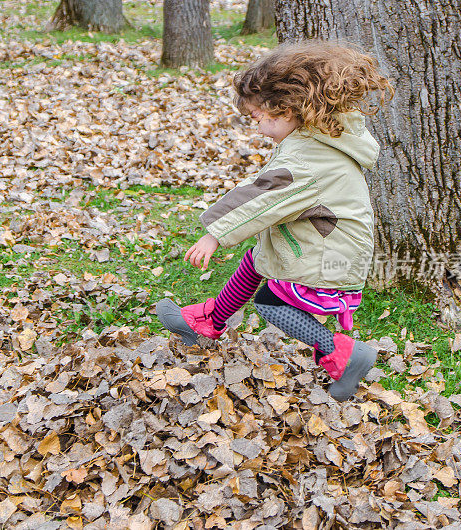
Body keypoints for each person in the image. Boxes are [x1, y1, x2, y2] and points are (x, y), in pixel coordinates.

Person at [156, 40, 394, 402]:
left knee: (271, 302)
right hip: (330, 244)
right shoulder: (321, 137)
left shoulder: (304, 159)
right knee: (257, 259)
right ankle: (206, 323)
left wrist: (216, 233)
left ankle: (345, 355)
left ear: (284, 109)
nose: (257, 129)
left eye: (257, 118)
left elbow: (261, 196)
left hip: (330, 255)